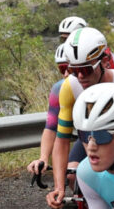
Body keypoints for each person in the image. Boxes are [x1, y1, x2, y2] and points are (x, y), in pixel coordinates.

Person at [46, 27, 114, 209]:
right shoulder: (70, 87)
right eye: (73, 70)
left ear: (105, 61)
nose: (80, 77)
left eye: (86, 69)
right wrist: (59, 188)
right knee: (72, 177)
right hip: (90, 135)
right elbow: (61, 140)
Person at [28, 40, 78, 178]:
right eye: (62, 69)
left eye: (70, 68)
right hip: (85, 138)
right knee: (71, 175)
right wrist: (43, 158)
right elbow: (51, 127)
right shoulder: (59, 89)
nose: (66, 74)